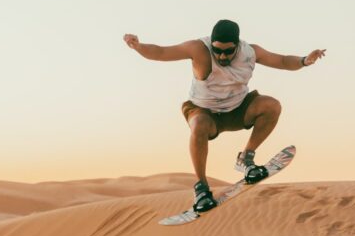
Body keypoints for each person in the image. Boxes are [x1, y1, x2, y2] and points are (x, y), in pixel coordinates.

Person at [123, 19, 326, 212]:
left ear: (237, 45)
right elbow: (161, 52)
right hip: (204, 111)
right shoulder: (198, 49)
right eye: (217, 50)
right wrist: (138, 46)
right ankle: (201, 187)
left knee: (272, 106)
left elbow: (281, 60)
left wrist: (304, 61)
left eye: (228, 51)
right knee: (199, 124)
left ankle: (246, 159)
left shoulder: (251, 52)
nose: (221, 56)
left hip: (238, 109)